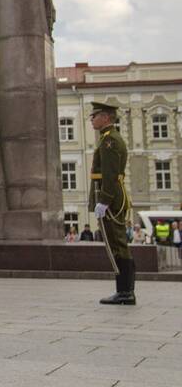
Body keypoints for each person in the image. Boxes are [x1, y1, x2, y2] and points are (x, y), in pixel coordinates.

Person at [87, 101, 134, 305]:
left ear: (106, 118)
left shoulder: (110, 142)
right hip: (113, 197)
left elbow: (110, 174)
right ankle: (124, 290)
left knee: (117, 245)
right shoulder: (107, 139)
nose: (92, 119)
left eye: (95, 115)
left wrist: (104, 200)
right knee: (116, 244)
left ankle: (125, 292)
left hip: (112, 200)